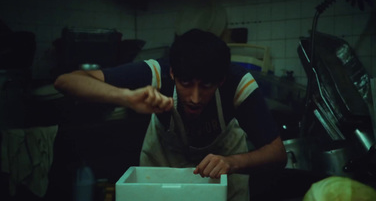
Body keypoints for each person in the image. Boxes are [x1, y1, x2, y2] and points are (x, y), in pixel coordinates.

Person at [54, 29, 287, 201]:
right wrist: (127, 97)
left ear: (221, 80)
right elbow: (66, 81)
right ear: (173, 73)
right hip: (164, 161)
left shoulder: (238, 84)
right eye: (186, 83)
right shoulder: (157, 73)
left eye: (206, 86)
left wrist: (232, 162)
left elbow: (277, 154)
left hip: (224, 168)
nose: (195, 97)